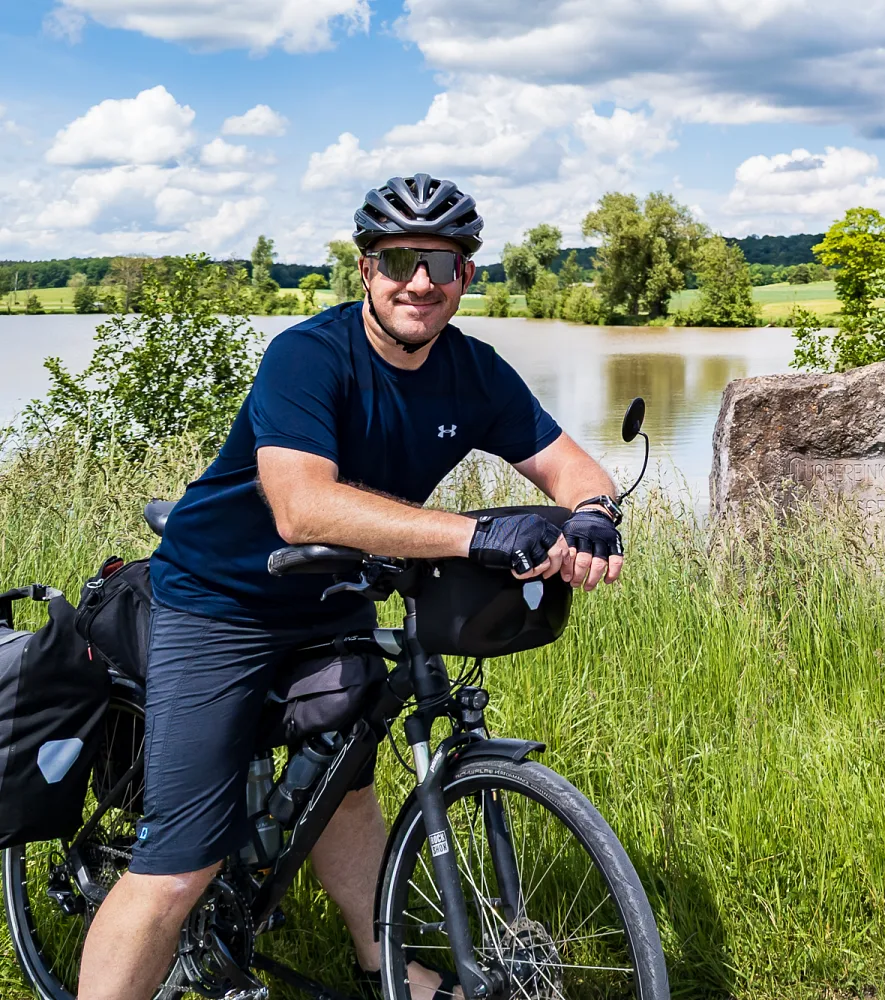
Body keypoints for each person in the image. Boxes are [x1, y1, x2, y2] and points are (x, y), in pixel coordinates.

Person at [77, 174, 626, 1000]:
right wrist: (477, 534)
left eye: (441, 265)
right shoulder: (308, 356)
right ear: (365, 269)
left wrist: (591, 515)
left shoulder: (473, 373)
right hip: (220, 602)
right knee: (181, 864)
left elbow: (569, 464)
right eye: (399, 260)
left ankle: (386, 968)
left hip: (332, 600)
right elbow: (302, 508)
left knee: (346, 790)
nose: (420, 283)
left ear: (465, 279)